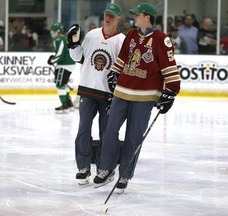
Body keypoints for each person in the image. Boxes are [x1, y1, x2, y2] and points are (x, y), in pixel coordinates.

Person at [93, 2, 181, 190]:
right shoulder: (132, 35)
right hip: (122, 91)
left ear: (147, 17)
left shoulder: (162, 40)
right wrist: (114, 73)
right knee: (110, 130)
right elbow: (123, 58)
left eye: (137, 15)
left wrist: (171, 91)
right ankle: (106, 168)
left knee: (133, 136)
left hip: (145, 96)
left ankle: (124, 174)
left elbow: (170, 67)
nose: (134, 17)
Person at [67, 3, 125, 185]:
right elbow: (79, 58)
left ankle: (105, 168)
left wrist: (118, 94)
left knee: (107, 133)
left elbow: (122, 69)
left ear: (118, 19)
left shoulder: (122, 40)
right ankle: (83, 167)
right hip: (87, 90)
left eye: (112, 15)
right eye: (106, 14)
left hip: (109, 95)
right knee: (83, 129)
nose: (108, 17)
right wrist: (72, 45)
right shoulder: (92, 35)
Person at [47, 22, 75, 113]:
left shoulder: (60, 40)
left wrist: (52, 61)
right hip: (68, 64)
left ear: (57, 32)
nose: (52, 33)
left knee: (59, 85)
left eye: (53, 31)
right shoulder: (64, 38)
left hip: (64, 65)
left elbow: (60, 55)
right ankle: (69, 104)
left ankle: (65, 105)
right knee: (63, 84)